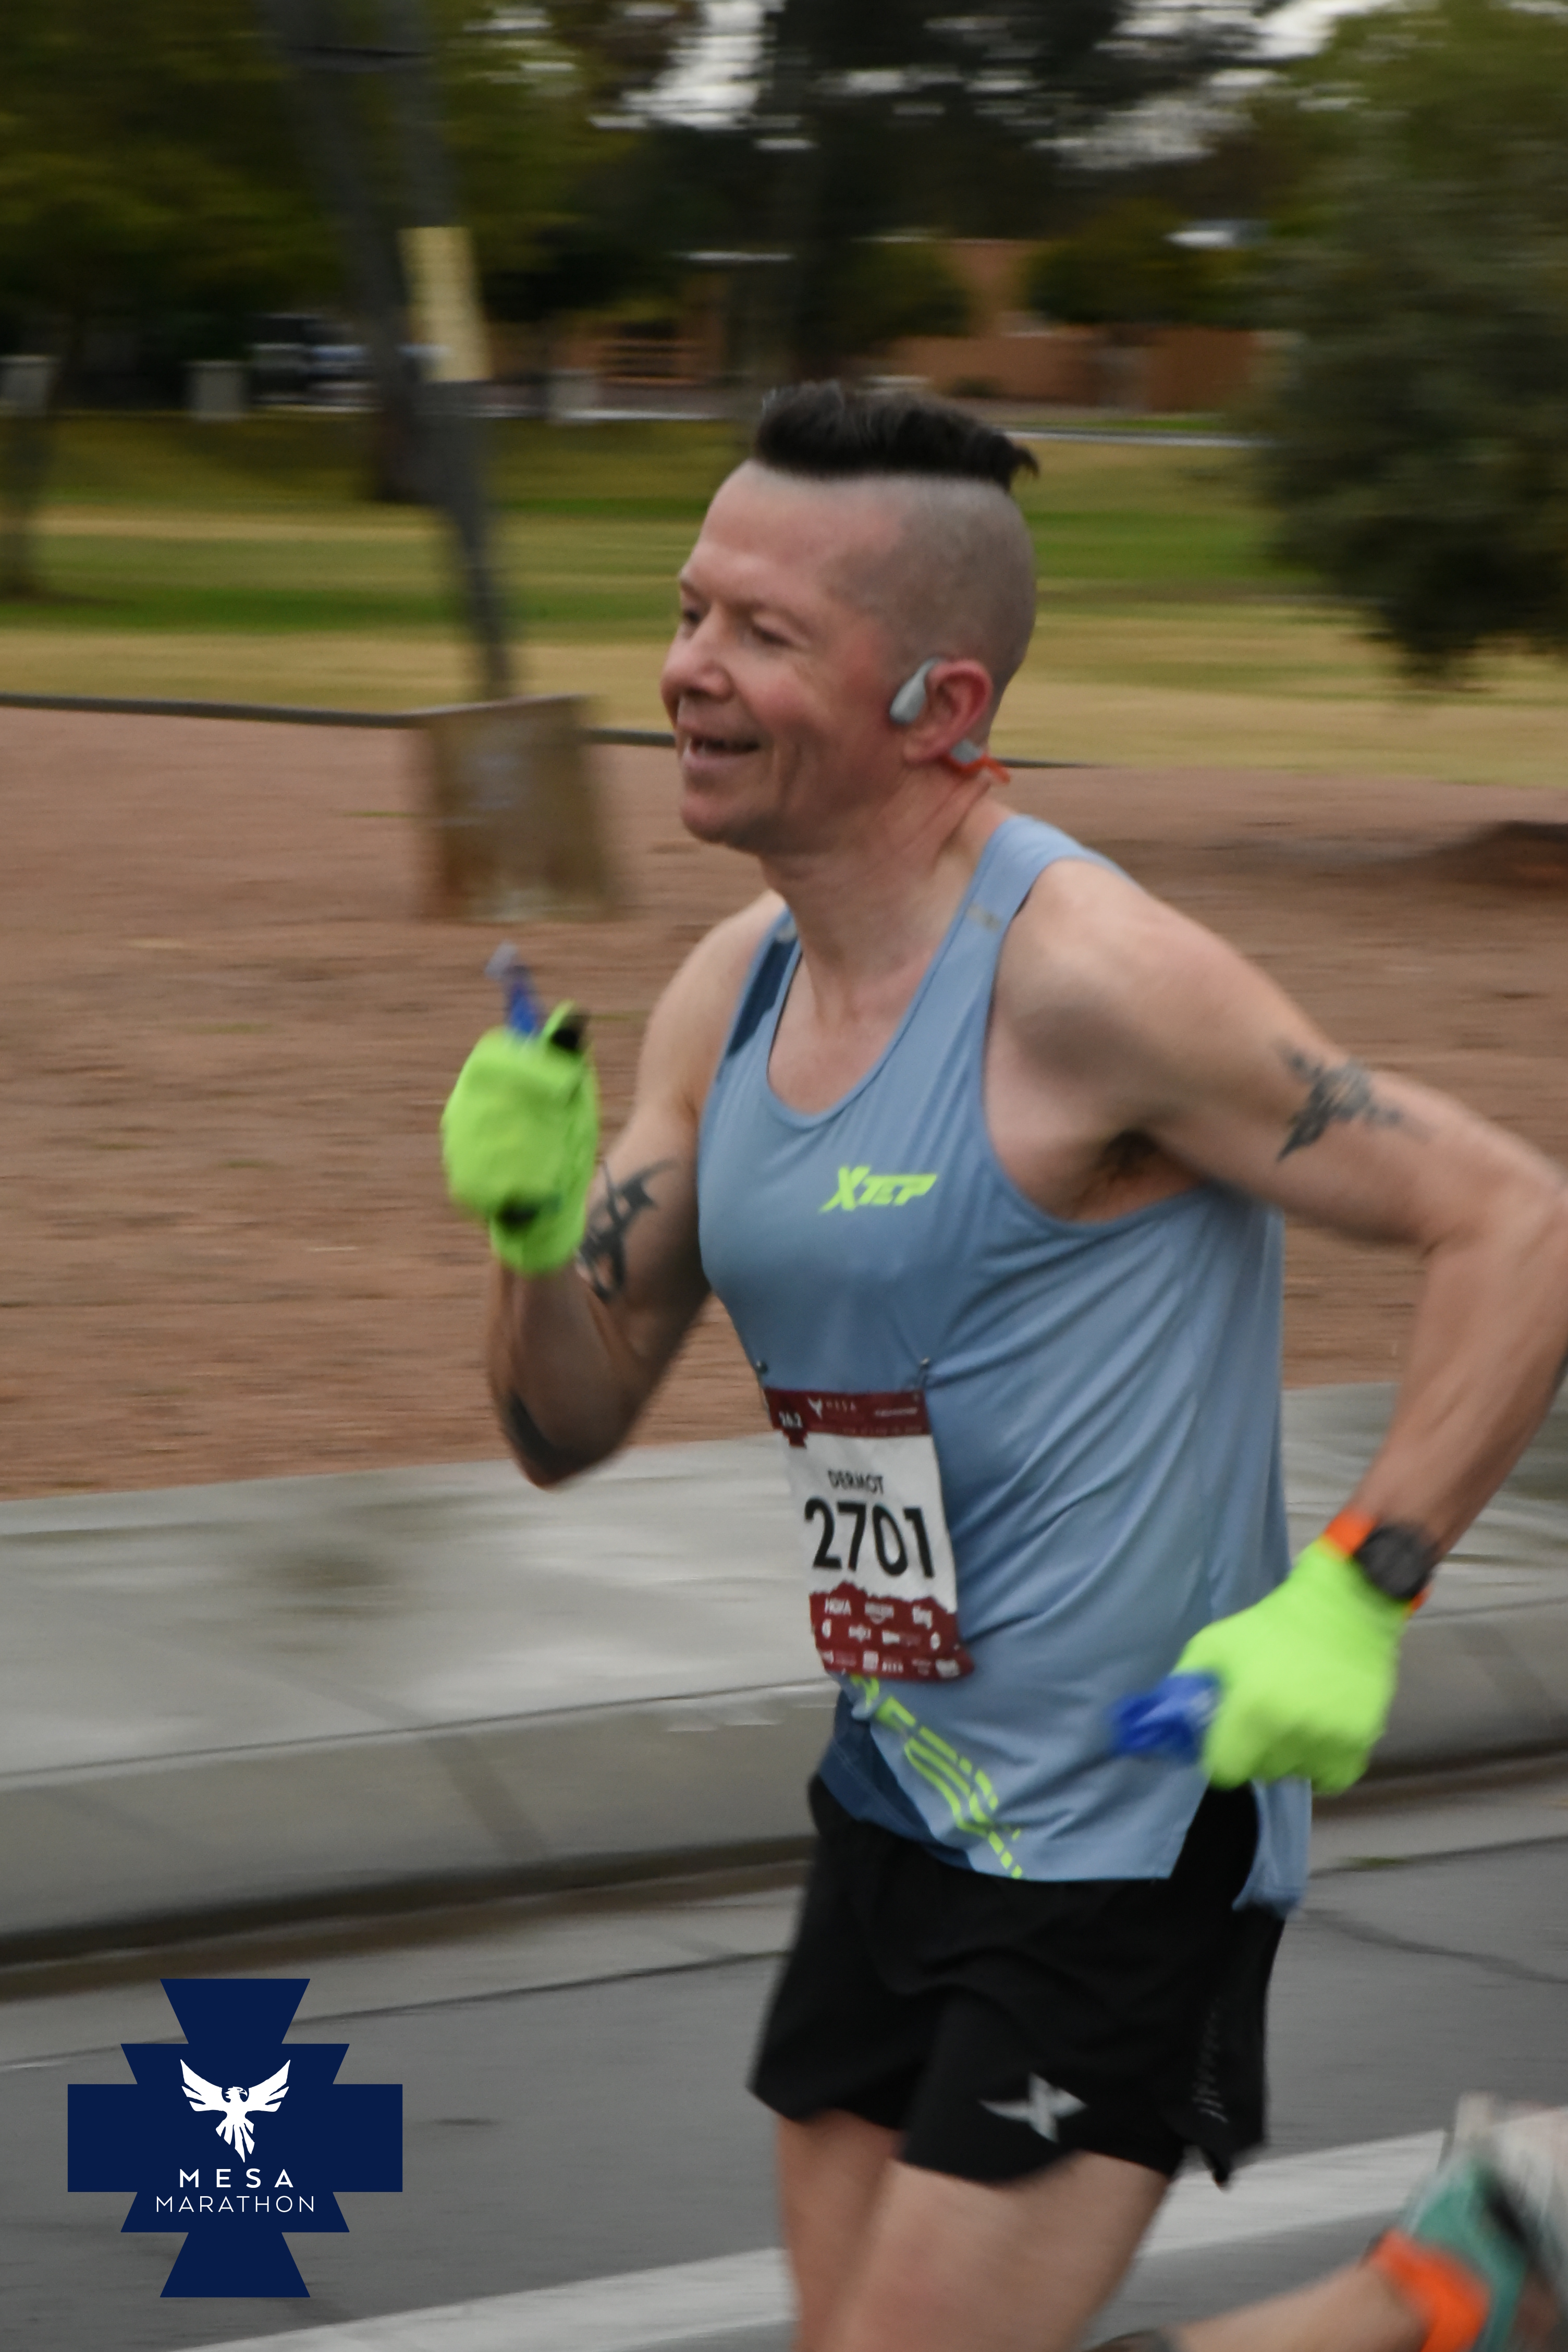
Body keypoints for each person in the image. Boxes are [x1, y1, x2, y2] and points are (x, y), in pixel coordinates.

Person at [440, 383, 1568, 2352]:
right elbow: (566, 1419)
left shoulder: (1090, 982)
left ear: (939, 704)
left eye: (763, 633)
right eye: (691, 610)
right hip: (901, 1788)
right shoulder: (734, 989)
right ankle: (1477, 2270)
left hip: (1127, 1824)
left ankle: (1452, 2287)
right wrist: (532, 1234)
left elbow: (1517, 1219)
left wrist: (1362, 1586)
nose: (688, 670)